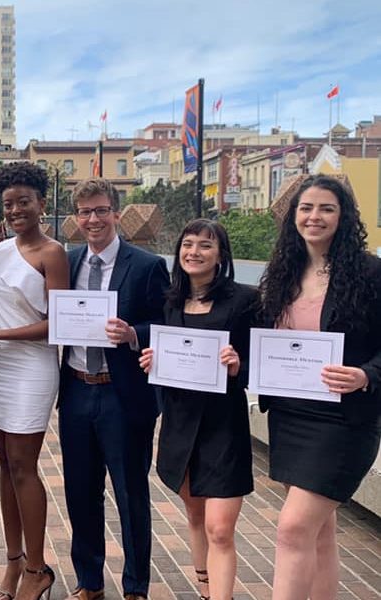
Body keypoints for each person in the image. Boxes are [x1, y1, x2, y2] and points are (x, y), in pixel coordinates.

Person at [257, 175, 381, 600]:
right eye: (306, 208)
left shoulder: (370, 272)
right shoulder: (282, 273)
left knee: (292, 529)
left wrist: (366, 374)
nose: (315, 216)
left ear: (343, 216)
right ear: (293, 216)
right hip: (292, 416)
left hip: (344, 421)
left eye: (326, 208)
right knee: (319, 533)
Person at [0, 162, 68, 600]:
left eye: (24, 202)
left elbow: (58, 323)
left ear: (42, 203)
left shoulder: (53, 252)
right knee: (5, 464)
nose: (16, 210)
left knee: (24, 466)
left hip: (32, 367)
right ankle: (13, 561)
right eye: (8, 204)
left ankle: (38, 568)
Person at [58, 178, 169, 600]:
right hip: (76, 389)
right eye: (85, 212)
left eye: (101, 210)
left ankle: (136, 585)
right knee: (81, 492)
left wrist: (132, 333)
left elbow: (167, 322)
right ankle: (89, 581)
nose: (93, 219)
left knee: (130, 493)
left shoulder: (146, 265)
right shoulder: (66, 262)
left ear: (116, 213)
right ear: (76, 218)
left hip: (122, 394)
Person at [139, 219, 258, 600]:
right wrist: (153, 360)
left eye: (205, 246)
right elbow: (167, 356)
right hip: (180, 422)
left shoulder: (244, 300)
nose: (194, 252)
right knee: (194, 514)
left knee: (220, 527)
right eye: (187, 244)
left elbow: (261, 362)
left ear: (221, 254)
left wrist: (240, 364)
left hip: (224, 425)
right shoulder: (170, 302)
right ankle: (206, 589)